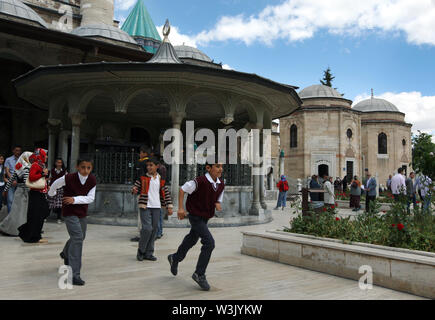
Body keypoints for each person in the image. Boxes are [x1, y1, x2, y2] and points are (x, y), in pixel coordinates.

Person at [168, 162, 225, 291]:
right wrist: (181, 208)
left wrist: (217, 204)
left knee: (192, 239)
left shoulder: (221, 184)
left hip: (205, 216)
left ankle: (174, 258)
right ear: (208, 168)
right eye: (217, 166)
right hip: (195, 215)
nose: (220, 169)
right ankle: (199, 274)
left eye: (221, 166)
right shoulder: (199, 181)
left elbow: (217, 197)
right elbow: (182, 189)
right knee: (209, 243)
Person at [49, 158, 97, 286]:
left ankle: (65, 253)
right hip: (69, 212)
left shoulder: (92, 180)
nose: (85, 170)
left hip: (82, 211)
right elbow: (55, 183)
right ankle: (74, 274)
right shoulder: (68, 177)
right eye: (83, 167)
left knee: (81, 236)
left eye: (88, 168)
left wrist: (74, 200)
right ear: (77, 167)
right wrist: (51, 193)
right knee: (77, 238)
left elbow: (91, 198)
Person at [132, 157, 173, 261]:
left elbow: (166, 194)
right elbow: (135, 189)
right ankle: (141, 251)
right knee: (147, 229)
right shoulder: (142, 178)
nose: (149, 167)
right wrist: (134, 190)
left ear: (157, 166)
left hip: (157, 207)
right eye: (147, 165)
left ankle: (149, 253)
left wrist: (169, 206)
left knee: (154, 230)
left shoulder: (161, 180)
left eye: (151, 165)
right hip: (145, 206)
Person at [18, 148, 50, 243]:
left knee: (40, 214)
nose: (47, 157)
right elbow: (32, 177)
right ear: (41, 156)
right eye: (45, 155)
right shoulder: (36, 165)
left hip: (39, 193)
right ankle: (34, 236)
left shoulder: (41, 164)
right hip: (36, 194)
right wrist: (42, 173)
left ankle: (26, 231)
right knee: (37, 215)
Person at [0, 152, 33, 236]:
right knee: (20, 212)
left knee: (18, 212)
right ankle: (15, 229)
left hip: (20, 191)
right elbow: (25, 181)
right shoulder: (27, 168)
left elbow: (11, 179)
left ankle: (11, 228)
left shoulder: (19, 167)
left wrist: (6, 190)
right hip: (24, 192)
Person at [131, 146, 150, 242]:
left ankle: (141, 234)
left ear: (144, 153)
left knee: (141, 213)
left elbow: (139, 177)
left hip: (142, 191)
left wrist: (136, 187)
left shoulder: (141, 163)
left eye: (141, 152)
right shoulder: (150, 163)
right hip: (150, 192)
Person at [47, 158, 67, 224]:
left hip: (61, 189)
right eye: (58, 162)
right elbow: (50, 179)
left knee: (59, 204)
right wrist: (49, 185)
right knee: (50, 203)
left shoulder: (64, 171)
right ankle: (46, 216)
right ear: (55, 163)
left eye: (60, 162)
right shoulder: (52, 171)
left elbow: (66, 180)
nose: (59, 164)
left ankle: (59, 218)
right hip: (53, 188)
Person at [4, 146, 22, 213]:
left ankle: (16, 216)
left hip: (20, 181)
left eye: (19, 150)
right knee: (10, 200)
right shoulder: (8, 159)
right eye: (16, 150)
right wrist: (12, 180)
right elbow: (7, 171)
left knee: (18, 201)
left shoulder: (22, 160)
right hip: (11, 181)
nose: (18, 152)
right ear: (13, 151)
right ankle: (9, 217)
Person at [156, 155, 167, 239]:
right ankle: (160, 231)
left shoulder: (160, 168)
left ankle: (158, 232)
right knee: (159, 214)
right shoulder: (164, 168)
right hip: (161, 190)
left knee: (158, 215)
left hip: (159, 191)